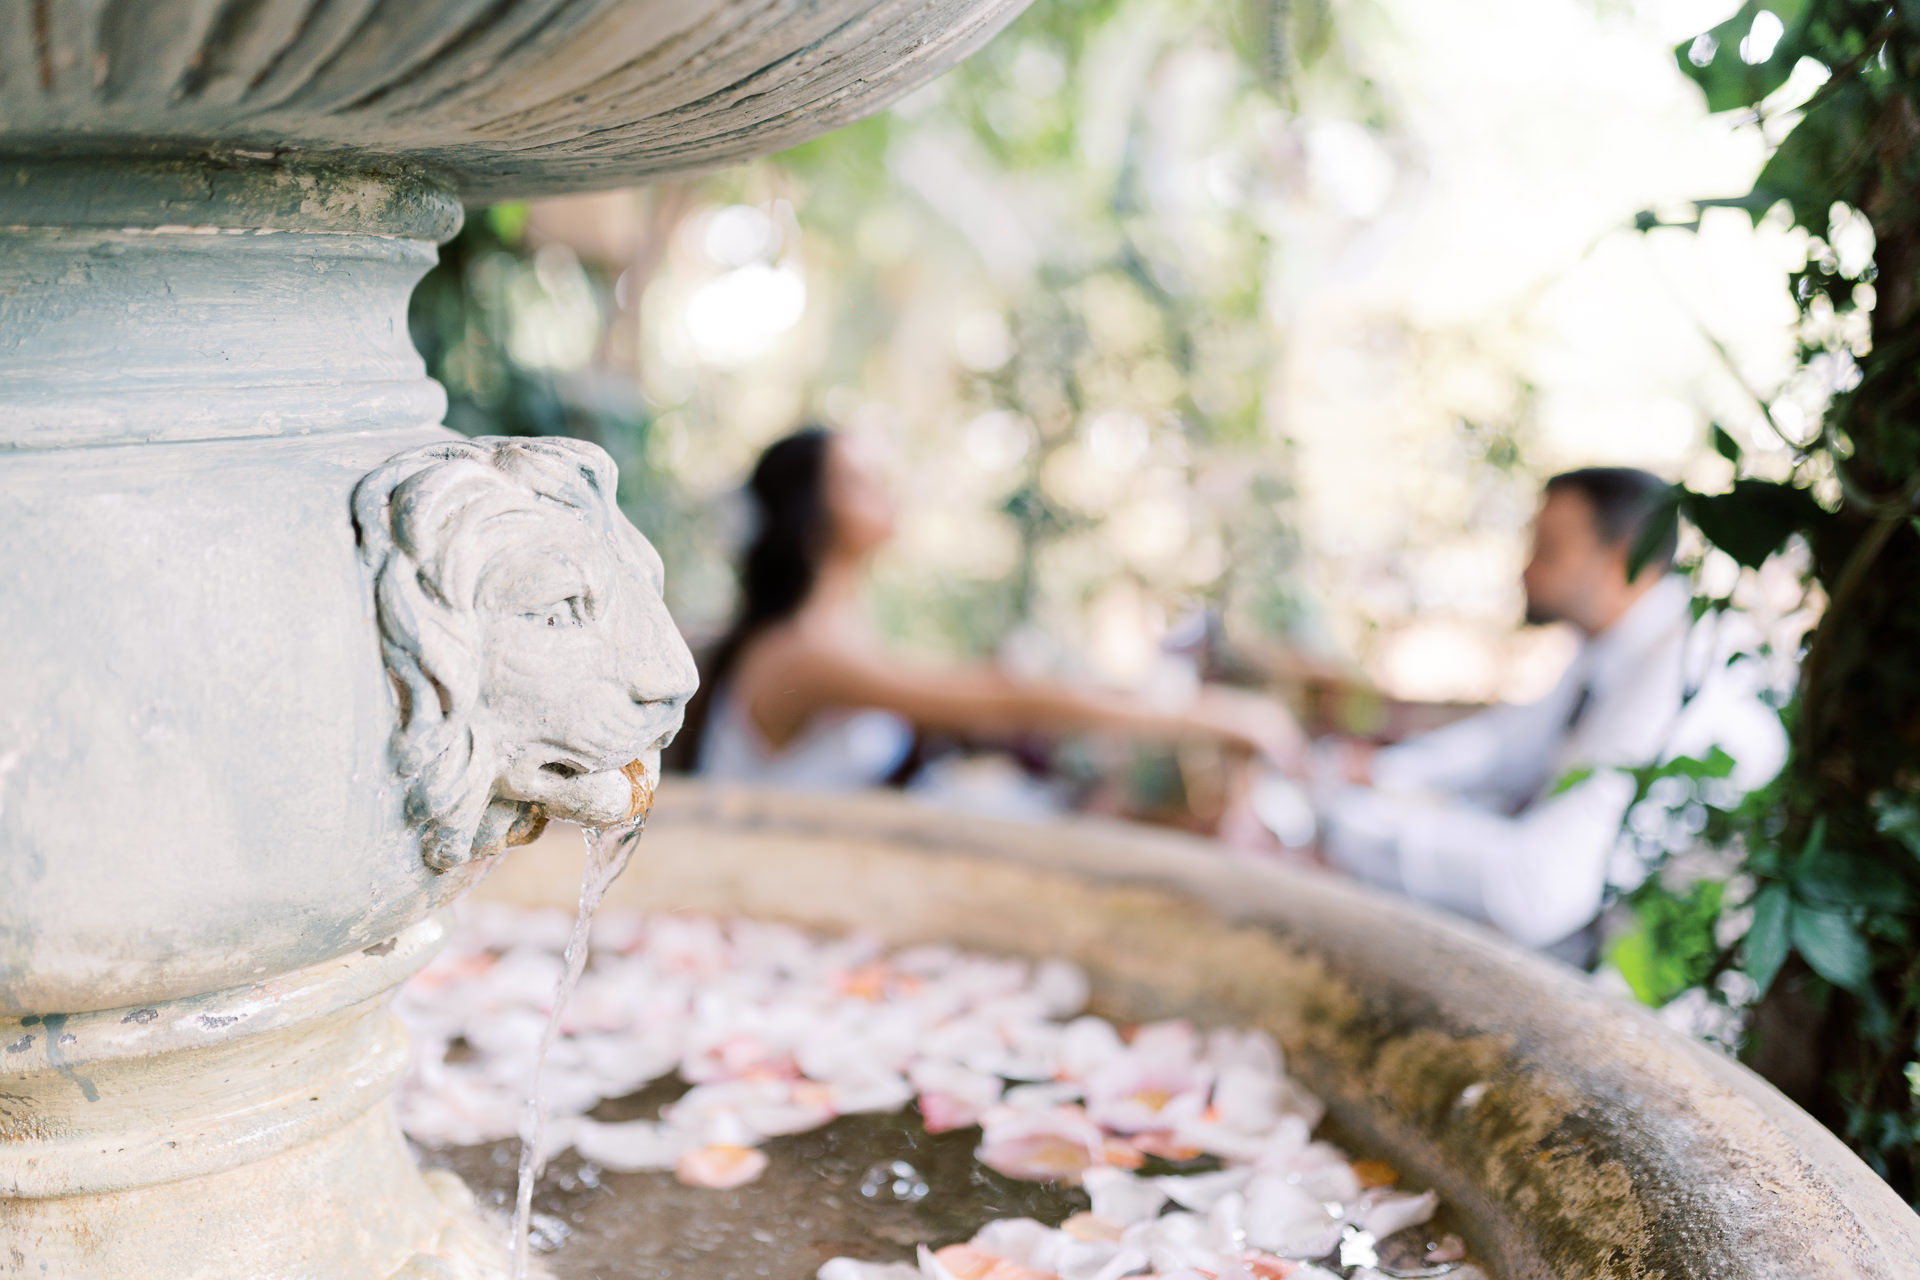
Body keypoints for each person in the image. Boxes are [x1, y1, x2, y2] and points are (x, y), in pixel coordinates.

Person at [1310, 467, 1788, 963]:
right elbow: (1509, 745)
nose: (1525, 570)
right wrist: (1381, 774)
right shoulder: (1612, 646)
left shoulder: (1685, 676)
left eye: (1548, 551)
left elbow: (1534, 891)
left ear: (1623, 558)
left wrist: (1340, 823)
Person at [672, 426, 1302, 792]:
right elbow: (1006, 698)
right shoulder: (804, 653)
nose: (890, 490)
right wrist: (1209, 715)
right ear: (807, 514)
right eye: (861, 480)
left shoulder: (841, 631)